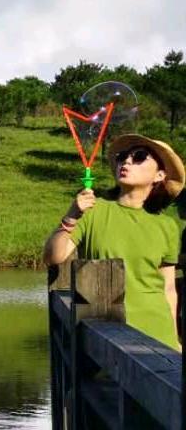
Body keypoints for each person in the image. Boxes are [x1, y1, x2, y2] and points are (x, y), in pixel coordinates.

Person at [43, 134, 184, 351]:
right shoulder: (93, 210)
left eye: (139, 157)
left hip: (158, 333)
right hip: (107, 334)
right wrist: (72, 216)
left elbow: (168, 289)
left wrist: (175, 339)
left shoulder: (167, 226)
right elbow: (54, 257)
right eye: (122, 157)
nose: (127, 161)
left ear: (159, 175)